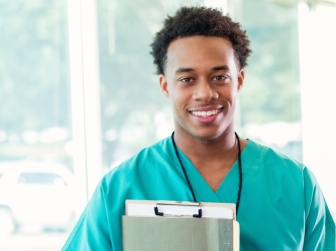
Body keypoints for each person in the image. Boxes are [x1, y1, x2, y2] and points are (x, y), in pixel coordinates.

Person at [61, 6, 335, 251]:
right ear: (165, 86)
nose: (205, 93)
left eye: (219, 77)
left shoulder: (295, 184)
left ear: (239, 80)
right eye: (187, 79)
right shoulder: (121, 188)